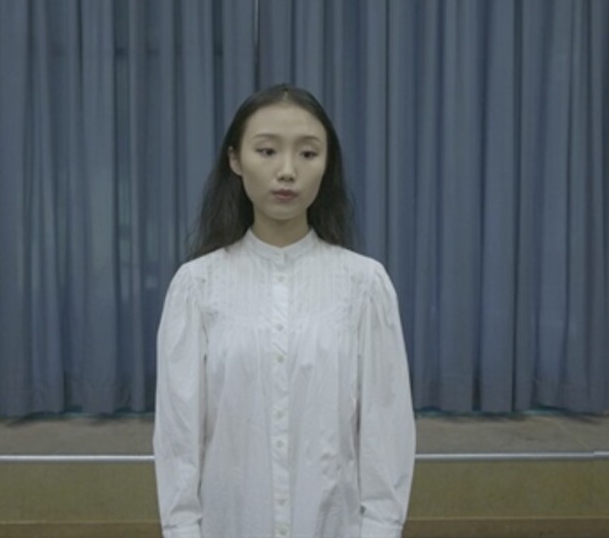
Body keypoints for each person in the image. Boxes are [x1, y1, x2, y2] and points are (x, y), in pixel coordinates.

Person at [153, 84, 415, 538]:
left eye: (308, 154)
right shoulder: (197, 287)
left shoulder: (364, 285)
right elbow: (178, 439)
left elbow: (385, 431)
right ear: (235, 159)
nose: (287, 171)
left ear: (327, 164)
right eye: (268, 151)